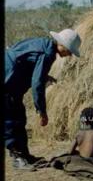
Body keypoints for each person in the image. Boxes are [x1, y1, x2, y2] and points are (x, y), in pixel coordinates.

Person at [5, 29, 81, 170]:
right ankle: (17, 159)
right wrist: (42, 111)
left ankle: (24, 156)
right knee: (11, 121)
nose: (69, 54)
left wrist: (45, 76)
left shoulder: (41, 43)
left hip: (11, 84)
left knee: (19, 118)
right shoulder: (47, 53)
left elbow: (25, 61)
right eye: (69, 50)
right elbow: (37, 84)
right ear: (62, 45)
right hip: (7, 85)